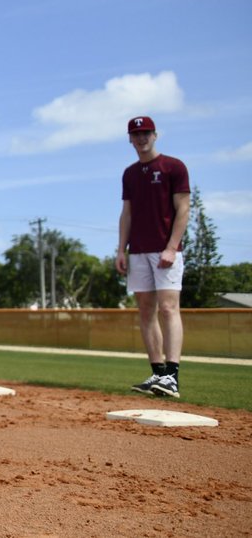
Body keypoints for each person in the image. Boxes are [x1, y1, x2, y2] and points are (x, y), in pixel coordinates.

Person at [117, 115, 190, 398]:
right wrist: (121, 249)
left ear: (155, 135)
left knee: (169, 308)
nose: (141, 138)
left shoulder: (174, 167)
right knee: (146, 311)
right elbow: (127, 213)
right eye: (136, 134)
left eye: (146, 133)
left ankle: (172, 375)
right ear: (130, 139)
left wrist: (172, 247)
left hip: (165, 249)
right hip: (137, 250)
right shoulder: (130, 173)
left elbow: (183, 209)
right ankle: (157, 373)